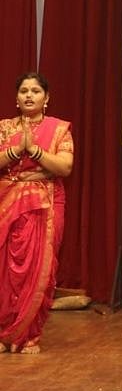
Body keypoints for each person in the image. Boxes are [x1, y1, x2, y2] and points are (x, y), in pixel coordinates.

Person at [0, 73, 73, 354]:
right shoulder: (5, 128)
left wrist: (36, 151)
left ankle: (29, 334)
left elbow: (65, 167)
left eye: (35, 91)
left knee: (39, 267)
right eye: (23, 91)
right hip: (7, 201)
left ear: (47, 98)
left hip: (46, 203)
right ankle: (6, 331)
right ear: (16, 98)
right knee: (5, 269)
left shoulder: (59, 130)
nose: (29, 95)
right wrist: (18, 150)